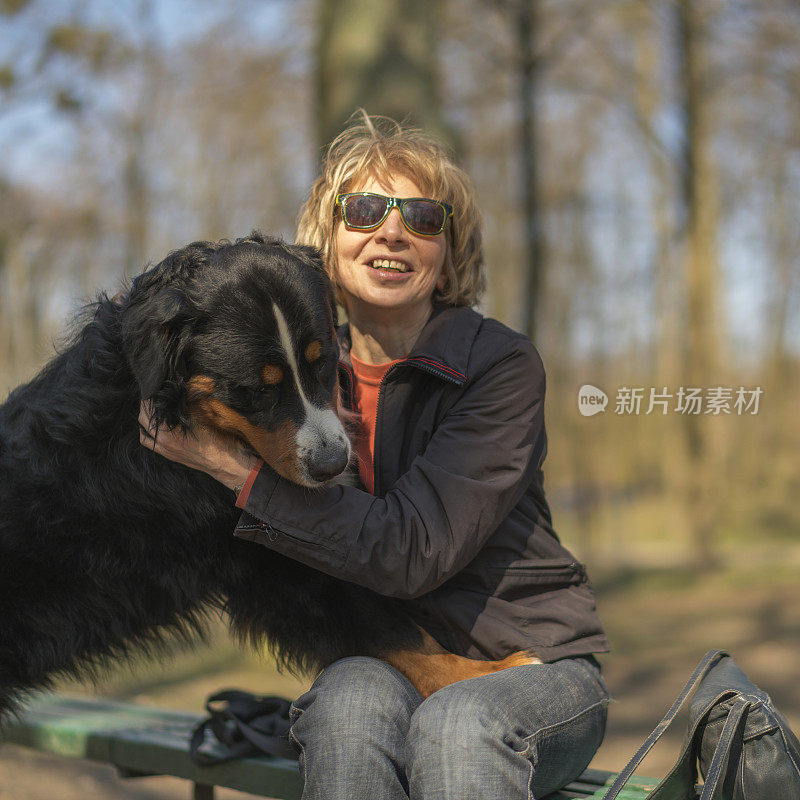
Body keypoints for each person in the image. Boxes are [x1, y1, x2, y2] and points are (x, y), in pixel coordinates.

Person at [139, 113, 610, 800]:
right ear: (326, 238)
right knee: (342, 709)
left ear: (449, 251)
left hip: (534, 663)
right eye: (365, 210)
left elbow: (413, 549)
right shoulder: (277, 376)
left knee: (459, 723)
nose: (392, 231)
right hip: (383, 659)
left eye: (422, 217)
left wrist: (236, 473)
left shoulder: (500, 366)